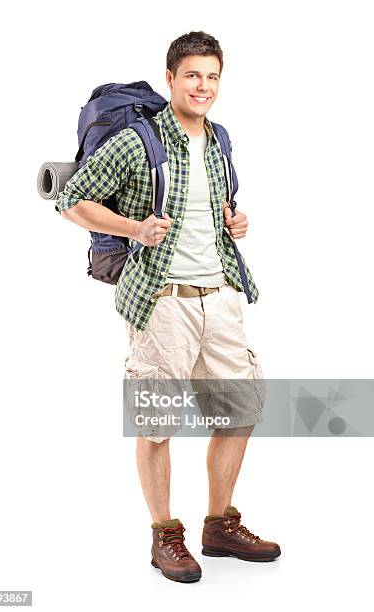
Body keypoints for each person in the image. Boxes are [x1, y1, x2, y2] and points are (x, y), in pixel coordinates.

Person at [56, 31, 281, 583]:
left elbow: (216, 205)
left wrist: (236, 222)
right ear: (171, 80)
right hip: (163, 303)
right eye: (192, 76)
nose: (203, 86)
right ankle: (165, 535)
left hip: (222, 296)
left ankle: (219, 525)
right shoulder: (138, 140)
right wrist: (133, 228)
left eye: (212, 76)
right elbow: (70, 200)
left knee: (241, 412)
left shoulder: (221, 137)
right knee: (157, 424)